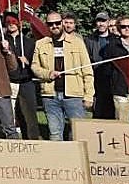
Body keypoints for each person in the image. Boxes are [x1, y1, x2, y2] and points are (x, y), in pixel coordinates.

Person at [32, 11, 93, 140]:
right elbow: (34, 67)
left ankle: (75, 154)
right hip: (50, 96)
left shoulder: (77, 43)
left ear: (62, 23)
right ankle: (58, 153)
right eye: (50, 24)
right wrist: (48, 74)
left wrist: (89, 96)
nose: (54, 26)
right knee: (54, 133)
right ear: (47, 25)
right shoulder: (40, 44)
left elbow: (87, 71)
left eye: (57, 23)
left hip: (74, 96)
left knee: (78, 134)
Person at [3, 13, 40, 139]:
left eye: (14, 22)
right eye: (8, 22)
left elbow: (37, 63)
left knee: (29, 116)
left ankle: (32, 141)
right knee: (9, 115)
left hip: (26, 82)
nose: (11, 24)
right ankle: (10, 140)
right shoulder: (2, 42)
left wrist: (27, 62)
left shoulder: (29, 42)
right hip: (9, 82)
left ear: (19, 24)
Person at [99, 16, 129, 121]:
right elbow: (107, 70)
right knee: (122, 122)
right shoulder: (111, 47)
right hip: (121, 91)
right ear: (119, 28)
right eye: (123, 27)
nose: (127, 29)